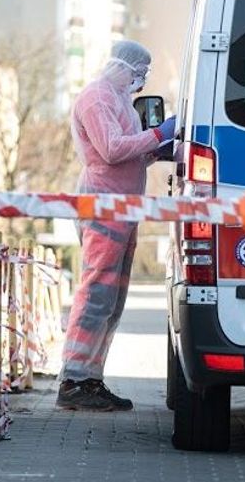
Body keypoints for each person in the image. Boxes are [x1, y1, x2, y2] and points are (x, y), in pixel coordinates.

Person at [56, 40, 176, 412]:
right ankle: (73, 380)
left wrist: (156, 149)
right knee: (95, 294)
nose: (141, 82)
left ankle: (91, 378)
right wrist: (158, 135)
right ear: (124, 67)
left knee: (111, 300)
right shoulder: (96, 97)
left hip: (123, 207)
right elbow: (110, 149)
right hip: (105, 205)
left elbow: (128, 151)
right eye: (140, 74)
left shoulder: (120, 99)